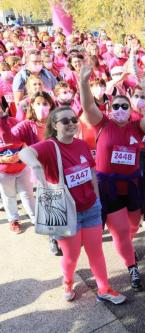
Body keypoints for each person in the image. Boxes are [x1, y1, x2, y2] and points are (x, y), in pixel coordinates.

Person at [19, 106, 126, 305]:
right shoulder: (50, 146)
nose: (71, 124)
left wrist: (97, 198)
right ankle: (67, 282)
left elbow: (91, 172)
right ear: (54, 125)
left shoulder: (82, 144)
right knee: (72, 256)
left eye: (73, 120)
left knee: (96, 252)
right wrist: (35, 165)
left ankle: (104, 289)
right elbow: (25, 153)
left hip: (91, 207)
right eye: (65, 121)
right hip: (66, 212)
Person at [79, 61, 145, 291]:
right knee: (121, 231)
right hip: (109, 187)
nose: (119, 110)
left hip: (134, 185)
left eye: (124, 106)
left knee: (133, 226)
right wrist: (83, 82)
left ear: (131, 110)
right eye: (115, 106)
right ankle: (132, 267)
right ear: (109, 108)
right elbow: (87, 106)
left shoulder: (137, 126)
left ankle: (127, 245)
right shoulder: (102, 124)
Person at [0, 95, 35, 233]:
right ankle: (13, 220)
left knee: (27, 194)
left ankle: (35, 218)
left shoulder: (14, 122)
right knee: (9, 197)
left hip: (22, 167)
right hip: (4, 171)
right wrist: (3, 160)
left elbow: (24, 140)